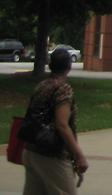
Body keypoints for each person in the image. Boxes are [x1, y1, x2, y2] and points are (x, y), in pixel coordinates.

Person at [21, 48, 89, 194]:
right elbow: (62, 124)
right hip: (51, 155)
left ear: (51, 65)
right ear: (69, 66)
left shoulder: (42, 85)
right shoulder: (63, 90)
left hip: (31, 150)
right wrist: (79, 156)